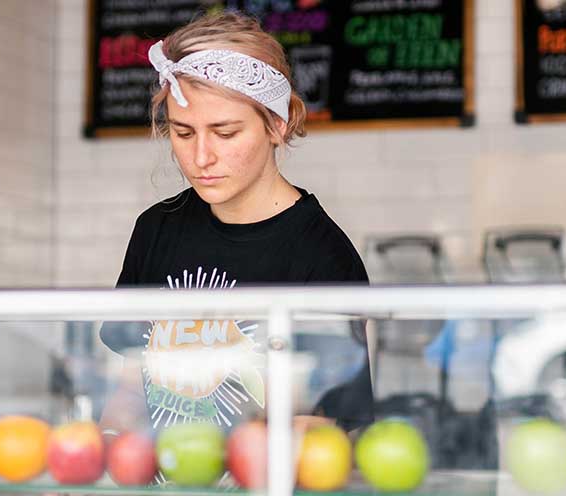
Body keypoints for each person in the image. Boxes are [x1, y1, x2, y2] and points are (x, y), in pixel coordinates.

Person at [99, 11, 372, 439]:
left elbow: (320, 429)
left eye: (225, 133)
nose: (201, 157)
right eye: (183, 133)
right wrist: (102, 455)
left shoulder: (324, 256)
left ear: (278, 124)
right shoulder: (155, 229)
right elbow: (129, 392)